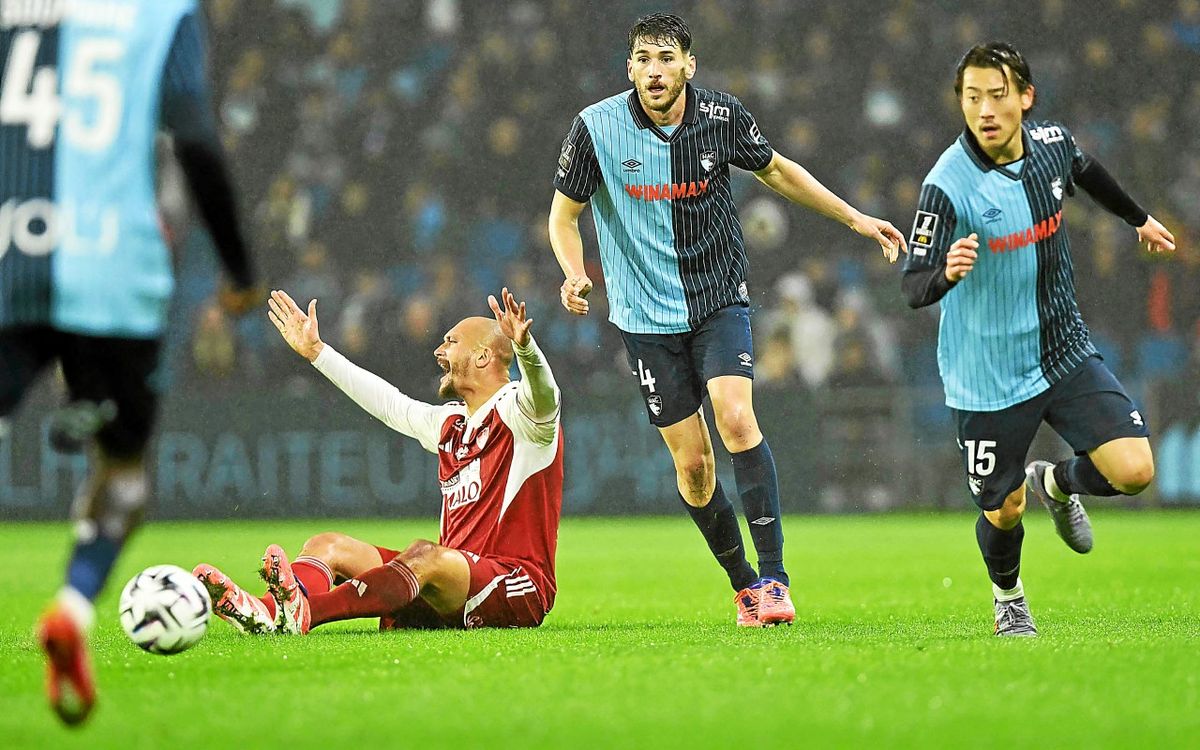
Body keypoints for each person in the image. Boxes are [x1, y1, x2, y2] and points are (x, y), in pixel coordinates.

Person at [547, 13, 906, 627]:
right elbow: (563, 216)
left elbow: (777, 170)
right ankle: (744, 587)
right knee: (693, 468)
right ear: (628, 68)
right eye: (643, 59)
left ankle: (775, 580)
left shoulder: (721, 116)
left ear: (689, 65)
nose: (654, 71)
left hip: (717, 298)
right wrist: (574, 272)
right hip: (643, 317)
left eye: (666, 58)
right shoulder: (595, 128)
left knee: (736, 419)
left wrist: (856, 218)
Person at [0, 1, 260, 724]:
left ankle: (76, 394)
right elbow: (196, 141)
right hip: (112, 268)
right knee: (123, 474)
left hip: (8, 261)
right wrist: (239, 268)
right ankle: (73, 607)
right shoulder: (162, 12)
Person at [901, 42, 1176, 636]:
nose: (985, 110)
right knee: (1003, 509)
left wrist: (1138, 219)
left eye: (997, 95)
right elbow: (912, 284)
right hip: (987, 374)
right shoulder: (947, 184)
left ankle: (1055, 480)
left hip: (1061, 349)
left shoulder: (1051, 145)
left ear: (1026, 98)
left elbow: (1086, 170)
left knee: (1135, 471)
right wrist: (945, 272)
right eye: (972, 97)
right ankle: (1009, 597)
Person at [193, 288, 562, 635]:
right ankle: (265, 612)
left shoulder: (523, 414)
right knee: (328, 544)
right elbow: (389, 404)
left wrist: (525, 348)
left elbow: (546, 394)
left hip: (515, 586)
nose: (439, 351)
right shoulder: (451, 422)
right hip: (450, 586)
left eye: (451, 342)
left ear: (482, 356)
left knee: (425, 555)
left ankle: (304, 612)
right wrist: (318, 352)